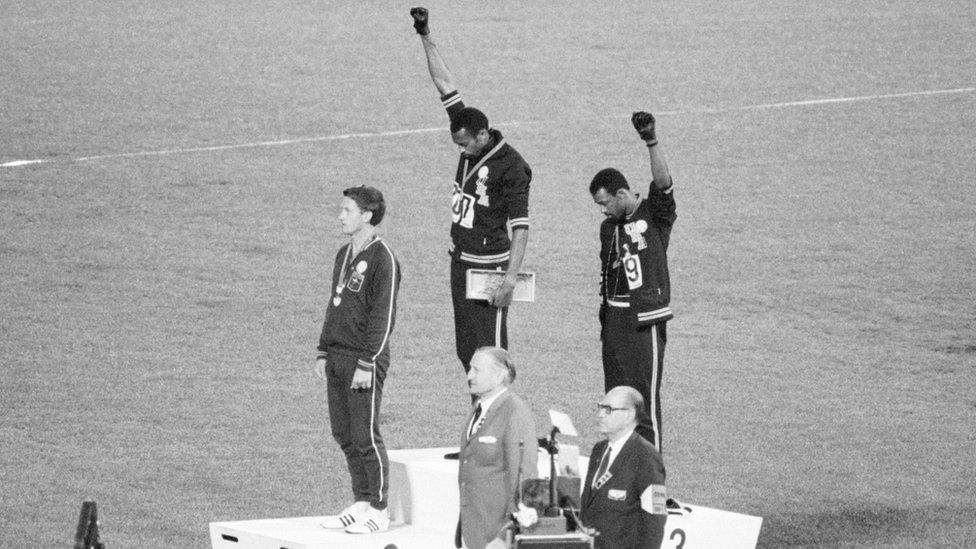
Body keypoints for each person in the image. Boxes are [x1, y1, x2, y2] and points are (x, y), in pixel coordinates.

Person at [410, 7, 533, 373]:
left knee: (491, 355)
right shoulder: (467, 128)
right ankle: (481, 420)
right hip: (460, 261)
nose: (461, 152)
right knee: (467, 353)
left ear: (482, 135)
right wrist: (424, 33)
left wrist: (510, 279)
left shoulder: (512, 167)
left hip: (489, 268)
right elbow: (444, 83)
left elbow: (521, 227)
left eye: (464, 145)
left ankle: (502, 425)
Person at [314, 186, 401, 534]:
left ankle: (380, 509)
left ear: (367, 215)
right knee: (343, 433)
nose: (340, 216)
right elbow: (334, 303)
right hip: (337, 354)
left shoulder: (384, 259)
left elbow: (384, 317)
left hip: (364, 360)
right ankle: (361, 501)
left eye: (347, 210)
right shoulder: (343, 253)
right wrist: (323, 349)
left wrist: (368, 362)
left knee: (365, 434)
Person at [589, 111, 676, 451]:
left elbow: (664, 184)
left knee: (644, 403)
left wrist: (650, 140)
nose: (602, 211)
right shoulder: (608, 228)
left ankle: (653, 484)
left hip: (643, 322)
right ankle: (622, 472)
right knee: (616, 401)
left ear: (622, 193)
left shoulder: (654, 215)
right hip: (613, 321)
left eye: (605, 203)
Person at [457, 347, 539, 549]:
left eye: (477, 370)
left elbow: (524, 474)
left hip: (499, 533)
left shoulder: (515, 411)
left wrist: (508, 532)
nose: (469, 376)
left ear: (499, 375)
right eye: (470, 369)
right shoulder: (479, 407)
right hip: (475, 527)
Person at [580, 386, 667, 549]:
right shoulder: (598, 450)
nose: (600, 415)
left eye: (608, 410)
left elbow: (655, 521)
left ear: (628, 415)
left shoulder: (646, 457)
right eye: (600, 407)